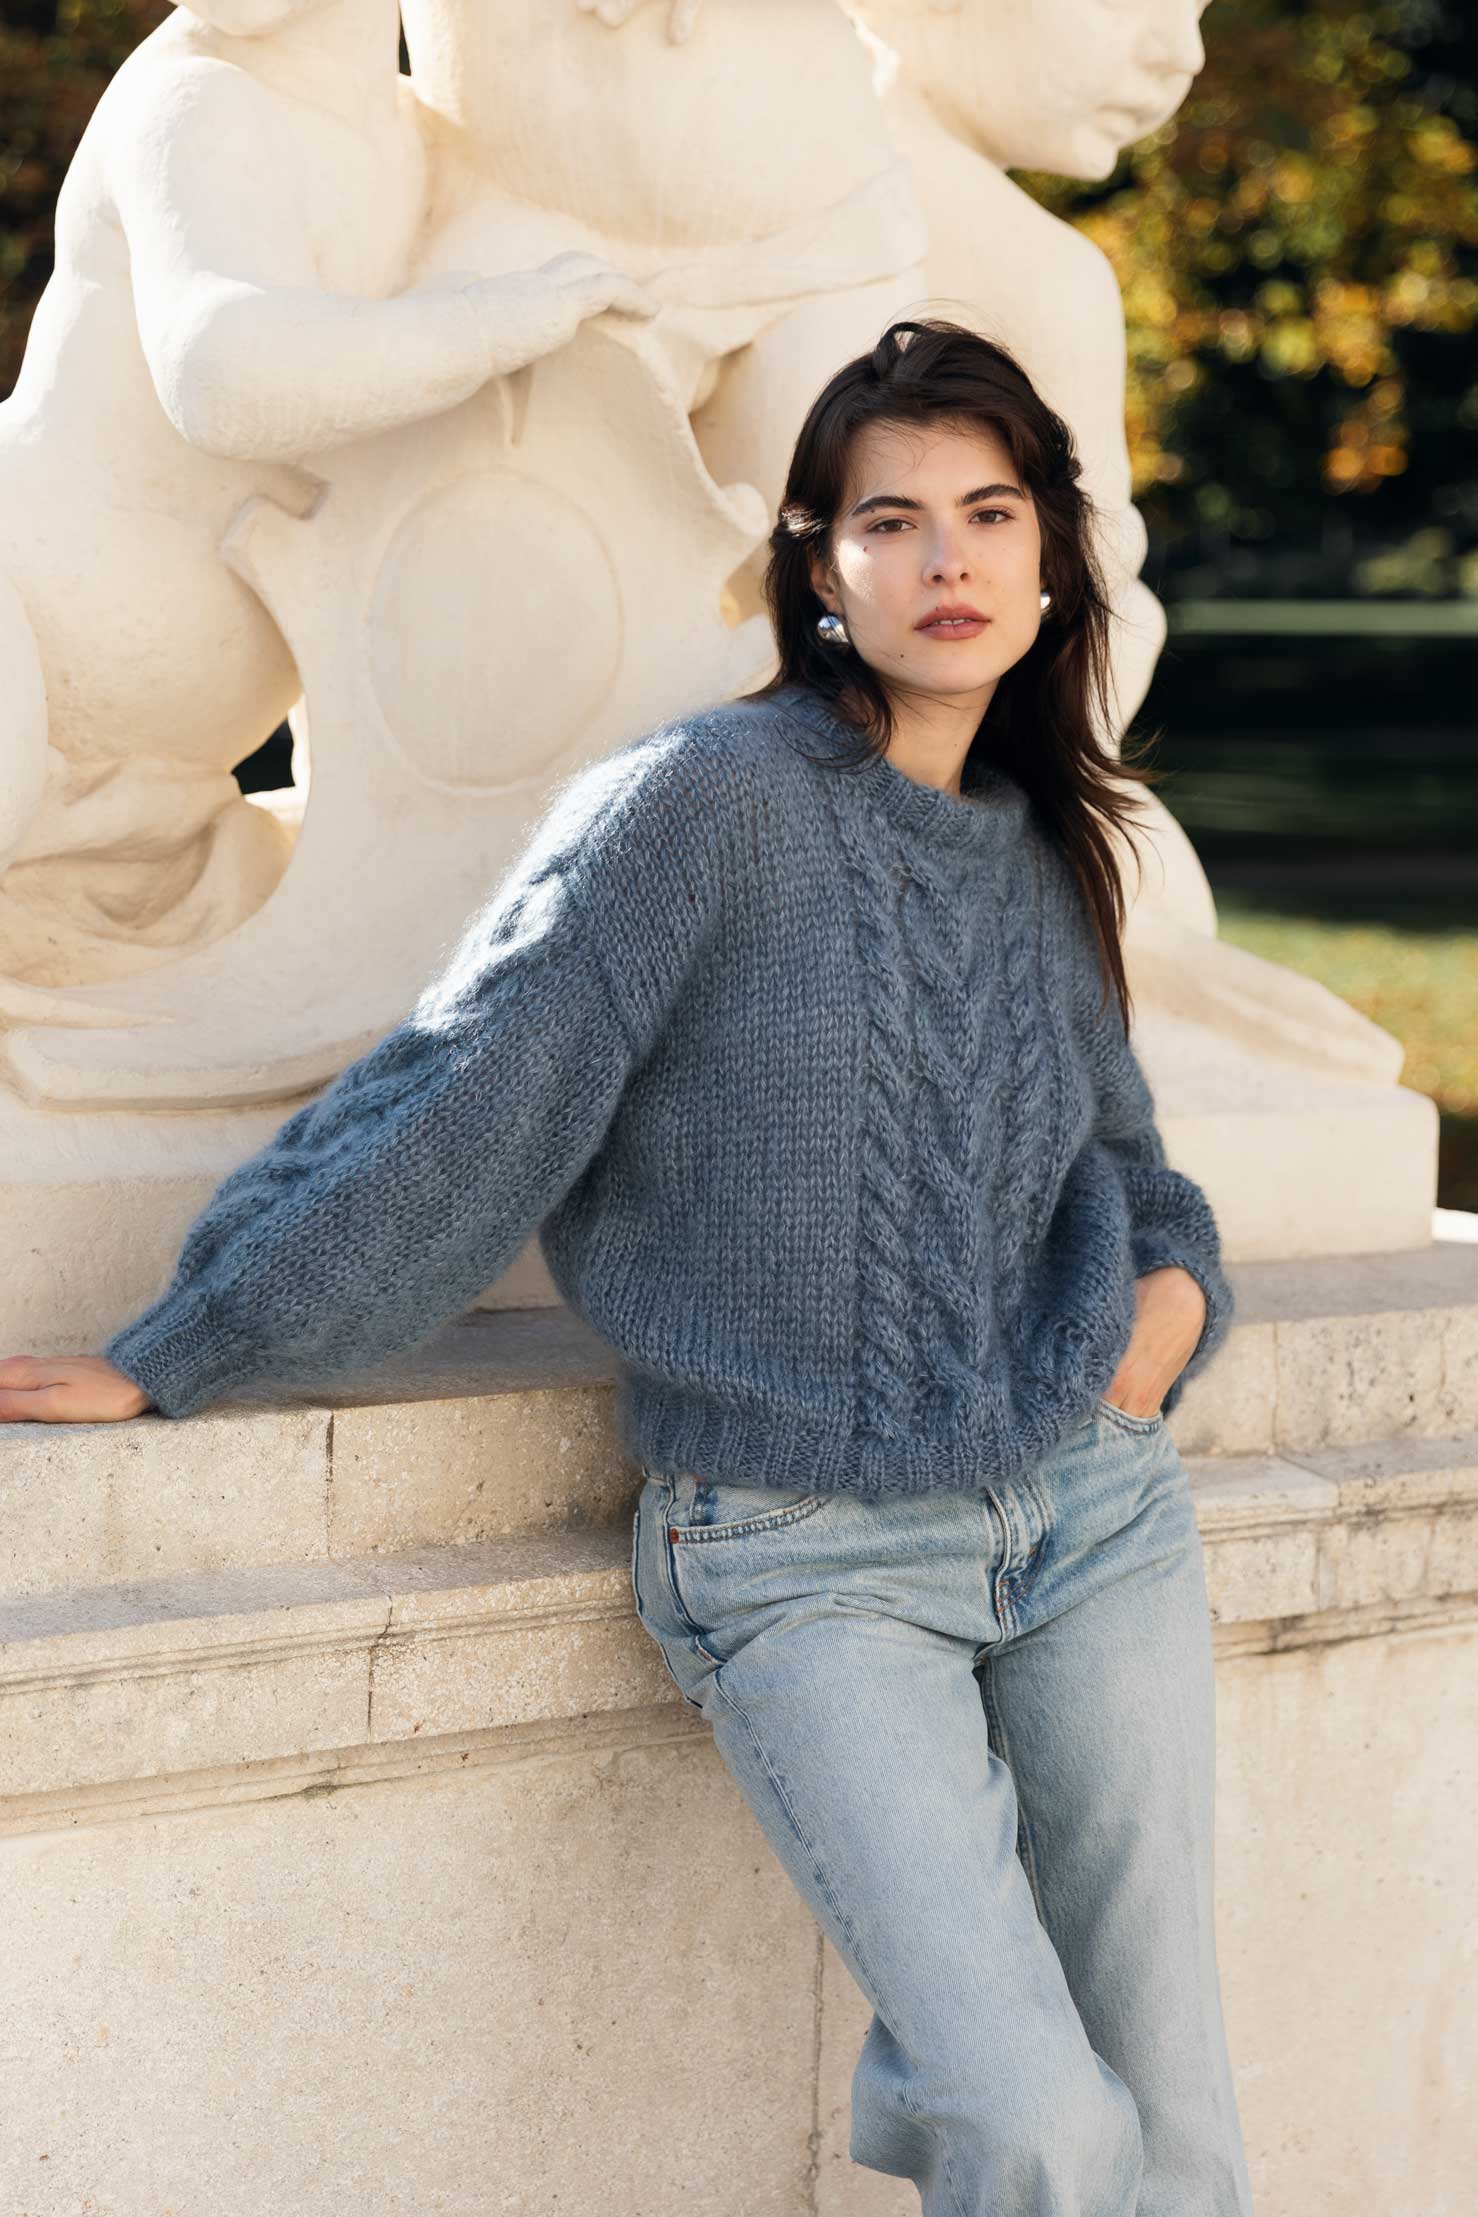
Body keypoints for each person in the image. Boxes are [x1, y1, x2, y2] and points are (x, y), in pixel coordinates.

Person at [0, 318, 1253, 2217]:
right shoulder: (703, 806)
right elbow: (473, 1087)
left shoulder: (1038, 842)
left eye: (990, 514)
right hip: (803, 1550)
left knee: (1171, 2118)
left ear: (1054, 554)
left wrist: (1150, 1337)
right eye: (890, 521)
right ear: (816, 571)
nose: (948, 562)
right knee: (1040, 2123)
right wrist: (194, 1340)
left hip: (1085, 1517)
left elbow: (1136, 1184)